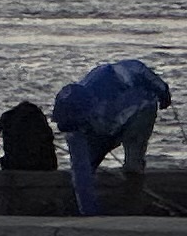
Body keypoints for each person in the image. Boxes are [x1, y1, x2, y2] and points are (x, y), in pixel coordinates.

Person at [53, 57, 172, 217]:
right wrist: (90, 214)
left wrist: (162, 91)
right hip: (107, 126)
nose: (76, 131)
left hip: (140, 111)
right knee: (85, 166)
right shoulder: (73, 128)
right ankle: (85, 208)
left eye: (80, 124)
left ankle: (132, 206)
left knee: (133, 161)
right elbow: (81, 170)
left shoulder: (115, 77)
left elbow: (137, 67)